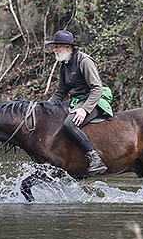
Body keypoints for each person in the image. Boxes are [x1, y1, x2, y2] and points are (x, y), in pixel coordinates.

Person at [45, 30, 113, 176]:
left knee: (69, 123)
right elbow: (60, 92)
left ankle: (95, 159)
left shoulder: (84, 61)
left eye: (57, 46)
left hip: (94, 100)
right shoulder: (64, 64)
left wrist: (84, 110)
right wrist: (43, 108)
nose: (54, 49)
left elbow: (97, 88)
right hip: (77, 101)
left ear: (68, 47)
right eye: (54, 46)